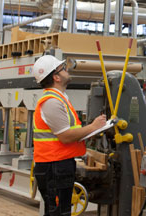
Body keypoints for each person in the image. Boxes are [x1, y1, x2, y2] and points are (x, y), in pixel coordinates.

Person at [31, 55, 106, 216]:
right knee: (58, 212)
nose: (66, 70)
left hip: (58, 164)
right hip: (54, 167)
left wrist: (92, 132)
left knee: (60, 211)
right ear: (56, 77)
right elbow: (65, 136)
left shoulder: (60, 98)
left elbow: (70, 132)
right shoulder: (52, 102)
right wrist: (92, 127)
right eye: (62, 68)